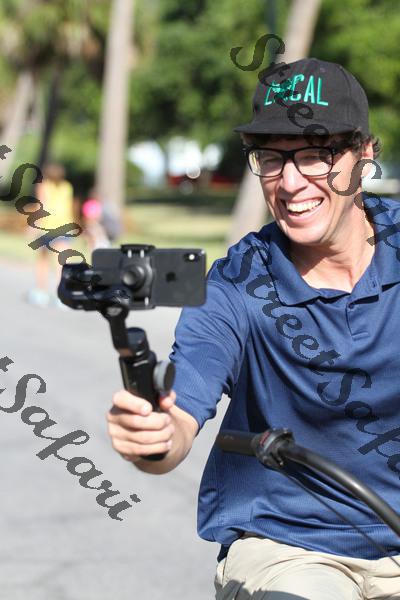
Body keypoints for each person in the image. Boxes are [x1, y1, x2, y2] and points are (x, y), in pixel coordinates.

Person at [107, 58, 400, 599]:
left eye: (315, 154)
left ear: (364, 156)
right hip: (289, 548)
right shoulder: (239, 282)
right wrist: (157, 435)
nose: (289, 182)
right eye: (270, 157)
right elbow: (185, 402)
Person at [26, 163, 75, 307]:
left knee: (43, 260)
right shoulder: (67, 187)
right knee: (62, 263)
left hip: (47, 227)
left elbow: (41, 207)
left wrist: (33, 226)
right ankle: (62, 296)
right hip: (64, 226)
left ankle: (41, 293)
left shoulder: (43, 186)